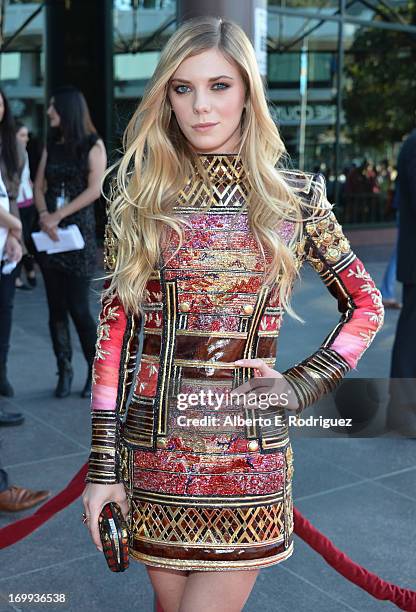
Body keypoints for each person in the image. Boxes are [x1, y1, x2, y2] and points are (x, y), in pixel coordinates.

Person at [82, 16, 384, 612]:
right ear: (165, 97)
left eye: (219, 85)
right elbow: (114, 338)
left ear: (248, 91)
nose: (201, 106)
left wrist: (299, 386)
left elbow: (365, 307)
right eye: (183, 87)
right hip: (152, 456)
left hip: (247, 458)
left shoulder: (294, 197)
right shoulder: (138, 197)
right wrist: (101, 467)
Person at [33, 86, 107, 399]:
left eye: (53, 107)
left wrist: (59, 214)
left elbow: (95, 189)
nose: (49, 112)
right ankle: (64, 370)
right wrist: (44, 214)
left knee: (78, 307)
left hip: (78, 237)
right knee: (55, 309)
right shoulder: (52, 144)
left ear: (66, 110)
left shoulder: (93, 144)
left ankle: (95, 370)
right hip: (50, 236)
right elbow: (38, 186)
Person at [0, 89, 25, 398]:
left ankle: (2, 372)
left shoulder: (13, 146)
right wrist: (15, 225)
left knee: (5, 308)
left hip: (5, 241)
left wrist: (15, 237)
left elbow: (15, 195)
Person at [15, 121, 37, 290]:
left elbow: (26, 175)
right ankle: (25, 271)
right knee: (20, 238)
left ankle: (27, 269)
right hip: (15, 203)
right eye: (22, 135)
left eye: (26, 134)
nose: (26, 138)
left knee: (26, 238)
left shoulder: (25, 152)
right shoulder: (9, 152)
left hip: (28, 201)